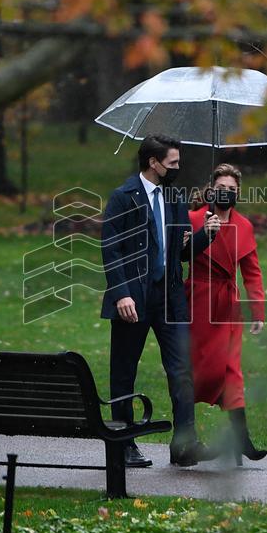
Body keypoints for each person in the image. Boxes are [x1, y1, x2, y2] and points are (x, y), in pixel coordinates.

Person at [100, 134, 222, 467]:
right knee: (124, 372)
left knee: (181, 370)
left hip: (170, 297)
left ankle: (185, 445)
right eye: (173, 162)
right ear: (153, 163)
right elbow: (110, 249)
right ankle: (123, 444)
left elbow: (181, 252)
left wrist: (206, 235)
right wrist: (122, 294)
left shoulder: (174, 198)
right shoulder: (123, 197)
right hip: (133, 298)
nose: (177, 167)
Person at [186, 163, 267, 466]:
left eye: (232, 189)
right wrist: (204, 234)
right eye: (221, 188)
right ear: (211, 190)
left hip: (228, 305)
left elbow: (252, 272)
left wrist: (257, 310)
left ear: (238, 193)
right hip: (198, 303)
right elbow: (179, 255)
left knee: (233, 371)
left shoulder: (244, 226)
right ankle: (183, 442)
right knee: (199, 372)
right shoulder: (194, 218)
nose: (226, 193)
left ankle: (241, 439)